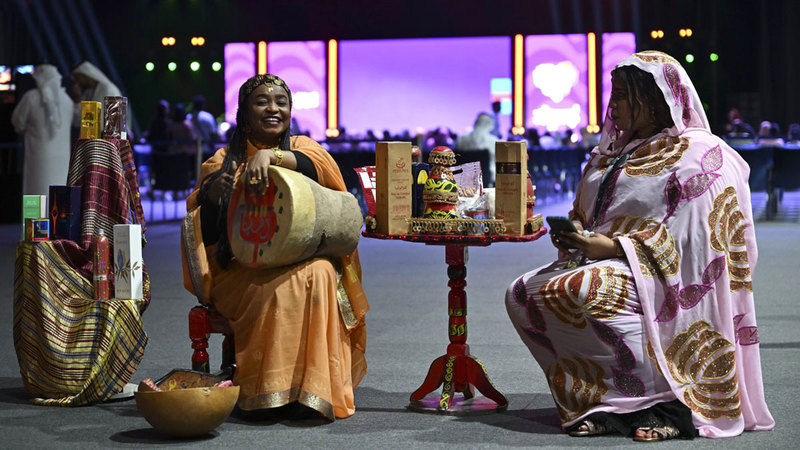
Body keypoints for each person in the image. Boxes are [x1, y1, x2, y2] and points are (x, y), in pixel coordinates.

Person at [505, 51, 774, 441]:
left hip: (661, 272)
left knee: (583, 289)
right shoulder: (616, 151)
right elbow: (590, 209)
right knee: (522, 295)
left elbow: (702, 238)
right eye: (613, 94)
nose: (612, 105)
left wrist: (617, 248)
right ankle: (601, 403)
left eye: (622, 95)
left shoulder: (701, 155)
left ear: (653, 98)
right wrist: (576, 230)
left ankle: (667, 404)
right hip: (606, 260)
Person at [180, 74, 369, 421]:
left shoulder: (304, 147)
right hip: (241, 268)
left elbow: (324, 176)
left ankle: (312, 391)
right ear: (244, 113)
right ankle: (265, 392)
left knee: (321, 273)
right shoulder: (222, 160)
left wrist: (271, 157)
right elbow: (200, 231)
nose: (273, 109)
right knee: (275, 288)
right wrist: (213, 197)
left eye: (281, 102)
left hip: (304, 257)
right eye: (262, 102)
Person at [11, 63, 74, 196]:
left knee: (36, 193)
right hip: (62, 161)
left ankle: (34, 211)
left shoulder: (31, 97)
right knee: (58, 197)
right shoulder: (67, 100)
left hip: (37, 159)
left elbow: (18, 123)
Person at [70, 61, 130, 135]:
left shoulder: (107, 88)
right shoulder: (87, 93)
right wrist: (77, 99)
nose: (77, 82)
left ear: (86, 75)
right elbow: (77, 121)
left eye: (78, 78)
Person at [456, 112, 499, 185]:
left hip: (462, 182)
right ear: (490, 125)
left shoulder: (461, 140)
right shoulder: (494, 141)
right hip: (487, 182)